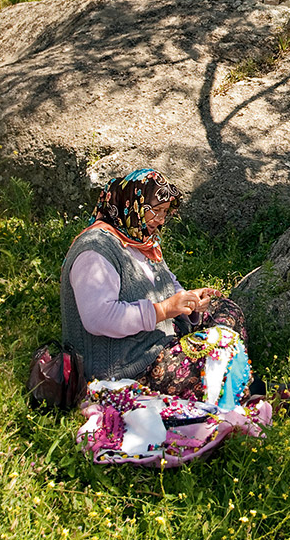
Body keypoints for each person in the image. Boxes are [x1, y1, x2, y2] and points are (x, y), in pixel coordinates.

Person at [60, 168, 257, 403]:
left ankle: (231, 384)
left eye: (165, 212)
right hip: (125, 368)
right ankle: (243, 390)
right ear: (131, 203)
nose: (161, 220)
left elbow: (167, 283)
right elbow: (98, 318)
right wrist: (163, 310)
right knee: (216, 351)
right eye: (155, 211)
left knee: (227, 311)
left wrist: (190, 301)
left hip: (159, 344)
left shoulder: (141, 240)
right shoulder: (95, 250)